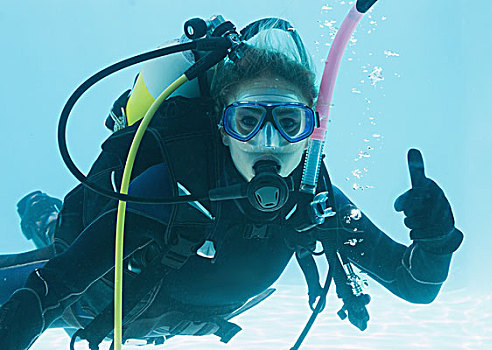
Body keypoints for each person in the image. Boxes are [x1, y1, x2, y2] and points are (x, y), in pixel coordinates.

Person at [0, 15, 463, 350]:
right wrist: (26, 314)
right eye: (248, 120)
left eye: (287, 121)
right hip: (93, 302)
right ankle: (42, 213)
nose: (268, 142)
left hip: (188, 319)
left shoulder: (313, 202)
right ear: (223, 128)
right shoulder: (172, 187)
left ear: (312, 133)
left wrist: (437, 241)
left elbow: (415, 284)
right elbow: (57, 284)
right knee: (50, 246)